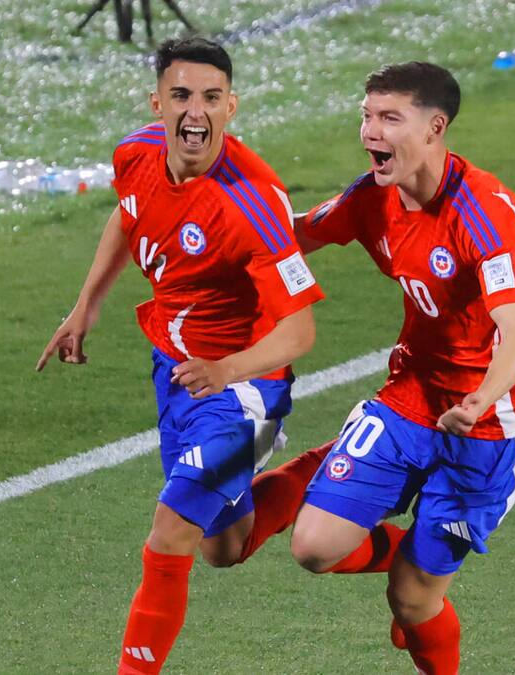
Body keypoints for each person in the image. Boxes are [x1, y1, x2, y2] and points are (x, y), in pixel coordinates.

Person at [36, 37, 325, 674]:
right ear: (158, 103)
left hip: (242, 388)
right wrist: (86, 304)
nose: (196, 112)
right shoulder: (136, 152)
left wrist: (226, 371)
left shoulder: (255, 201)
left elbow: (299, 331)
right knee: (222, 546)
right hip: (175, 369)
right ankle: (326, 468)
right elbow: (131, 212)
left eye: (211, 99)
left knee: (169, 531)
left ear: (232, 107)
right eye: (182, 96)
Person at [287, 61, 515, 673]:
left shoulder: (485, 215)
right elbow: (295, 235)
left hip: (490, 425)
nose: (371, 132)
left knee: (410, 599)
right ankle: (412, 549)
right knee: (314, 548)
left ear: (434, 127)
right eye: (367, 116)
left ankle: (418, 579)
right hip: (411, 396)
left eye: (389, 118)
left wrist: (481, 399)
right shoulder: (372, 198)